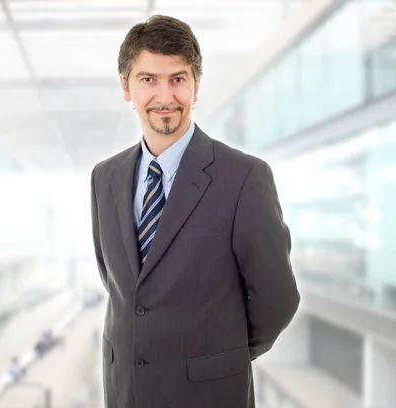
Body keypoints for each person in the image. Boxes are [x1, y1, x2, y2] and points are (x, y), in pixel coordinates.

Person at [90, 15, 300, 408]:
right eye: (148, 79)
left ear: (196, 86)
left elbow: (278, 299)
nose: (165, 96)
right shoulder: (105, 178)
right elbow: (119, 284)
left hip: (210, 393)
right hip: (125, 391)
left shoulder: (244, 177)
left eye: (178, 79)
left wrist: (225, 354)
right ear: (126, 88)